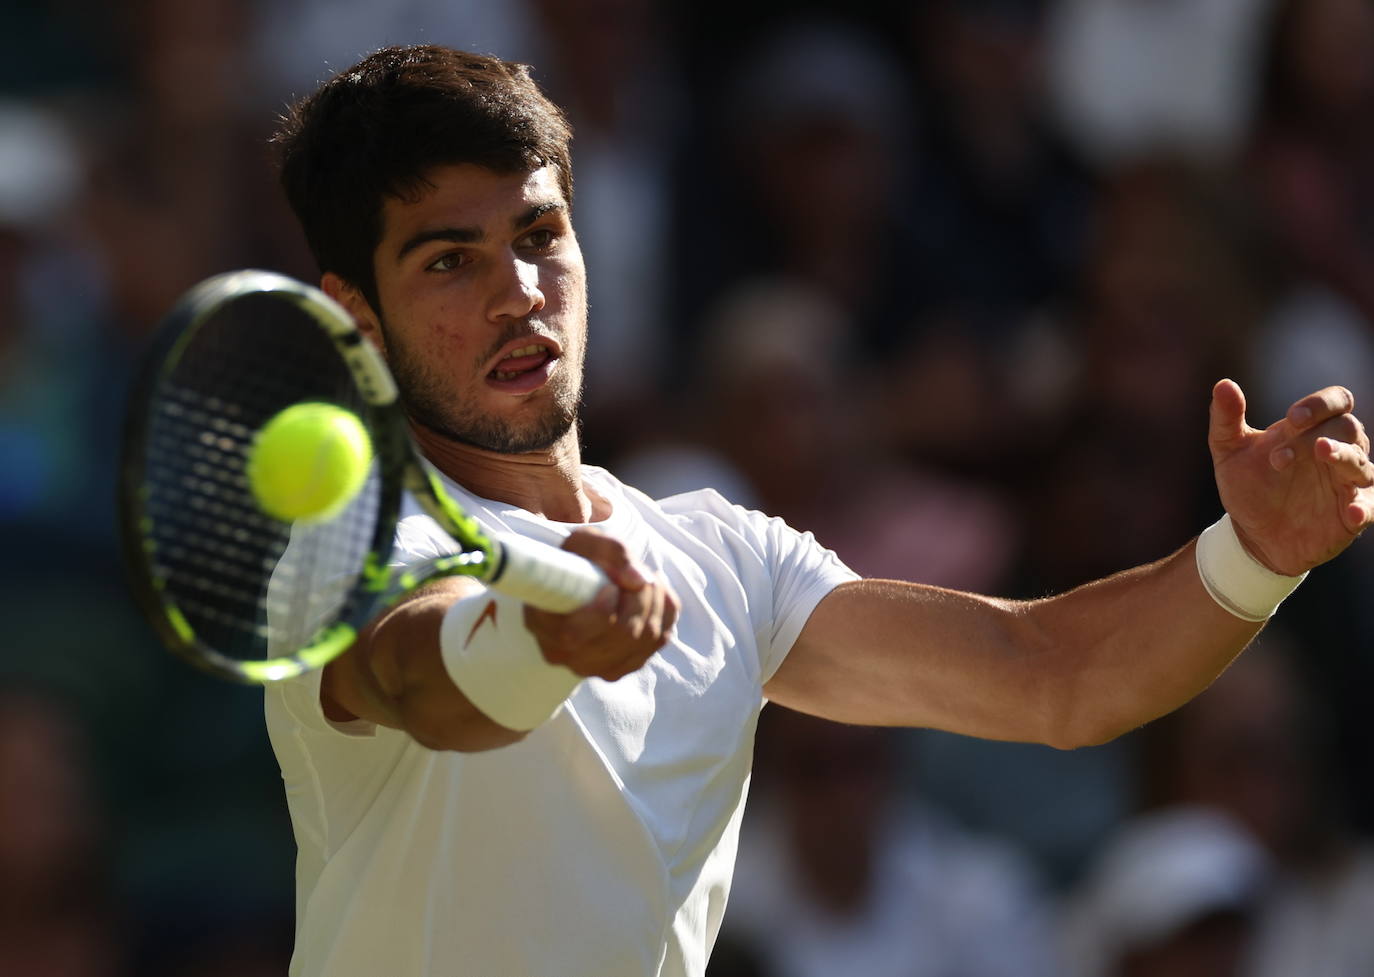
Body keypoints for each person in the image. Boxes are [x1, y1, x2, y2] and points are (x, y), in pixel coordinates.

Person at [263, 45, 1374, 977]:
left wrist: (1255, 554)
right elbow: (421, 672)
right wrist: (540, 640)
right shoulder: (347, 533)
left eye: (540, 235)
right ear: (352, 316)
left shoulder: (720, 552)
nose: (518, 292)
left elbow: (1052, 673)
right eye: (450, 260)